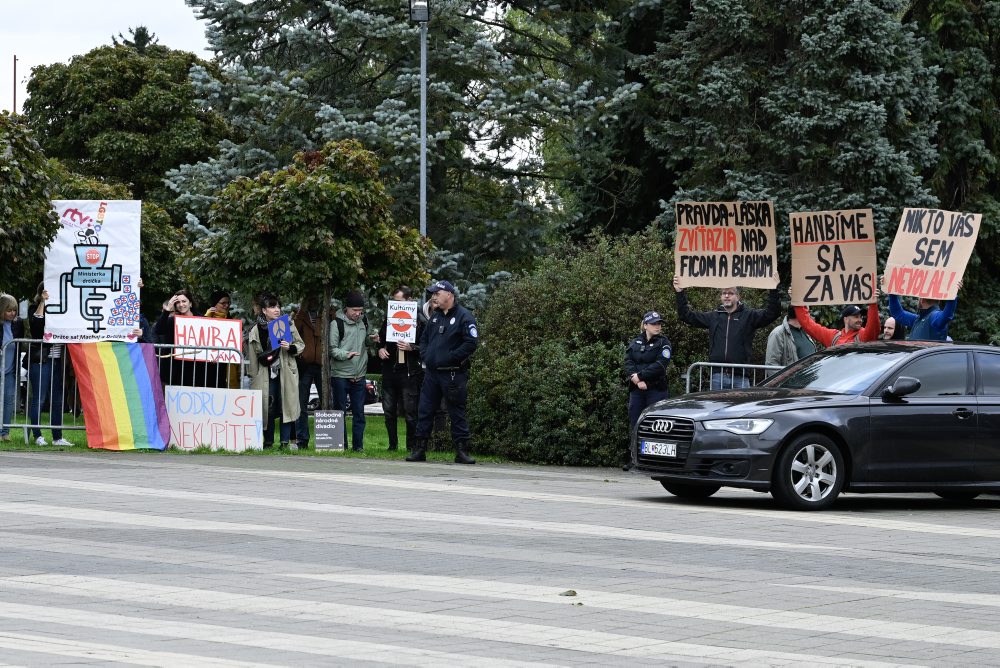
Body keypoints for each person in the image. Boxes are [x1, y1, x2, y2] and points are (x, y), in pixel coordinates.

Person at [406, 280, 478, 464]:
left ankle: (461, 451)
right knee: (425, 410)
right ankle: (419, 450)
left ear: (449, 295)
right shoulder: (435, 317)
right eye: (433, 294)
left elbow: (471, 343)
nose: (434, 297)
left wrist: (451, 357)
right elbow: (424, 340)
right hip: (432, 374)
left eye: (437, 294)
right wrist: (426, 356)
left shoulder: (464, 317)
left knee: (456, 412)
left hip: (453, 374)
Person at [673, 276, 781, 389]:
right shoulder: (714, 317)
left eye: (730, 293)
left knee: (742, 407)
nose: (726, 296)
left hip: (741, 378)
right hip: (717, 377)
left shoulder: (749, 316)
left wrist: (773, 289)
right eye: (724, 293)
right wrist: (679, 292)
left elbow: (772, 313)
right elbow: (686, 316)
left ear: (738, 296)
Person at [246, 294, 303, 449]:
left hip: (285, 371)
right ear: (264, 310)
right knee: (267, 407)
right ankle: (268, 442)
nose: (276, 310)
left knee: (287, 405)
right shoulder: (256, 329)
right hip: (265, 373)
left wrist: (289, 347)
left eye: (278, 306)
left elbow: (300, 344)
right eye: (272, 307)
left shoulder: (288, 325)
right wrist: (254, 375)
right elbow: (252, 355)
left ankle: (284, 442)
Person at [378, 286, 424, 452]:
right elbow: (382, 340)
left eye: (398, 301)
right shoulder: (390, 317)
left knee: (411, 413)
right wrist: (380, 348)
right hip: (390, 370)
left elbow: (426, 347)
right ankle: (392, 445)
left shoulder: (419, 320)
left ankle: (411, 446)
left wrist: (412, 348)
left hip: (409, 372)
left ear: (409, 300)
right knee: (389, 410)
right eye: (393, 301)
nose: (395, 305)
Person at [27, 285, 71, 446]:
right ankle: (37, 435)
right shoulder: (34, 307)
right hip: (41, 361)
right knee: (39, 398)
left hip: (59, 361)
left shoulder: (65, 309)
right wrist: (43, 303)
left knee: (58, 400)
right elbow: (36, 327)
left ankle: (57, 437)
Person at [330, 289, 371, 451]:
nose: (357, 314)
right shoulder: (336, 324)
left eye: (360, 311)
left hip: (359, 376)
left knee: (359, 414)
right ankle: (342, 445)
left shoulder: (363, 322)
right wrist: (347, 355)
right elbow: (333, 349)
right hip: (340, 375)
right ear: (346, 309)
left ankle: (358, 446)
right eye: (355, 310)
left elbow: (364, 342)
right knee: (340, 412)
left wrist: (371, 339)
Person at [292, 295, 331, 449]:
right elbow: (294, 331)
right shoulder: (300, 315)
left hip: (322, 365)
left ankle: (328, 440)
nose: (313, 301)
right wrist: (301, 312)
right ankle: (302, 440)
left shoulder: (327, 313)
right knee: (301, 403)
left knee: (327, 402)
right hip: (305, 364)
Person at [624, 310, 672, 434]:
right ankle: (636, 453)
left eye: (659, 324)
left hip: (656, 390)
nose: (657, 326)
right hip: (637, 391)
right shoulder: (636, 341)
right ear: (645, 325)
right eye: (654, 323)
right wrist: (636, 379)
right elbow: (628, 361)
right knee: (636, 427)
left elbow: (660, 365)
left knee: (656, 428)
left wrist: (640, 376)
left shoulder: (664, 342)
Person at [153, 289, 201, 386]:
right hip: (176, 369)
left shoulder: (201, 320)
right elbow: (159, 330)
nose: (181, 304)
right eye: (178, 302)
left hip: (195, 368)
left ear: (190, 303)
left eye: (184, 301)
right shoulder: (172, 321)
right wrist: (167, 309)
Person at [793, 295, 881, 347]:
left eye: (860, 317)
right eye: (856, 317)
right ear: (845, 319)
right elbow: (808, 325)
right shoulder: (834, 336)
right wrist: (797, 301)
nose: (860, 320)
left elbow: (873, 327)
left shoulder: (863, 335)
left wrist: (873, 304)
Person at [887, 285, 960, 342]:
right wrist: (892, 290)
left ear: (922, 300)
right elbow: (898, 313)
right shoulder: (918, 319)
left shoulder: (933, 317)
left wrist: (953, 295)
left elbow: (946, 316)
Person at [0, 293, 25, 442]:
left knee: (9, 400)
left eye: (14, 310)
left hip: (10, 370)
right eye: (9, 310)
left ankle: (5, 432)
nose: (12, 313)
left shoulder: (18, 324)